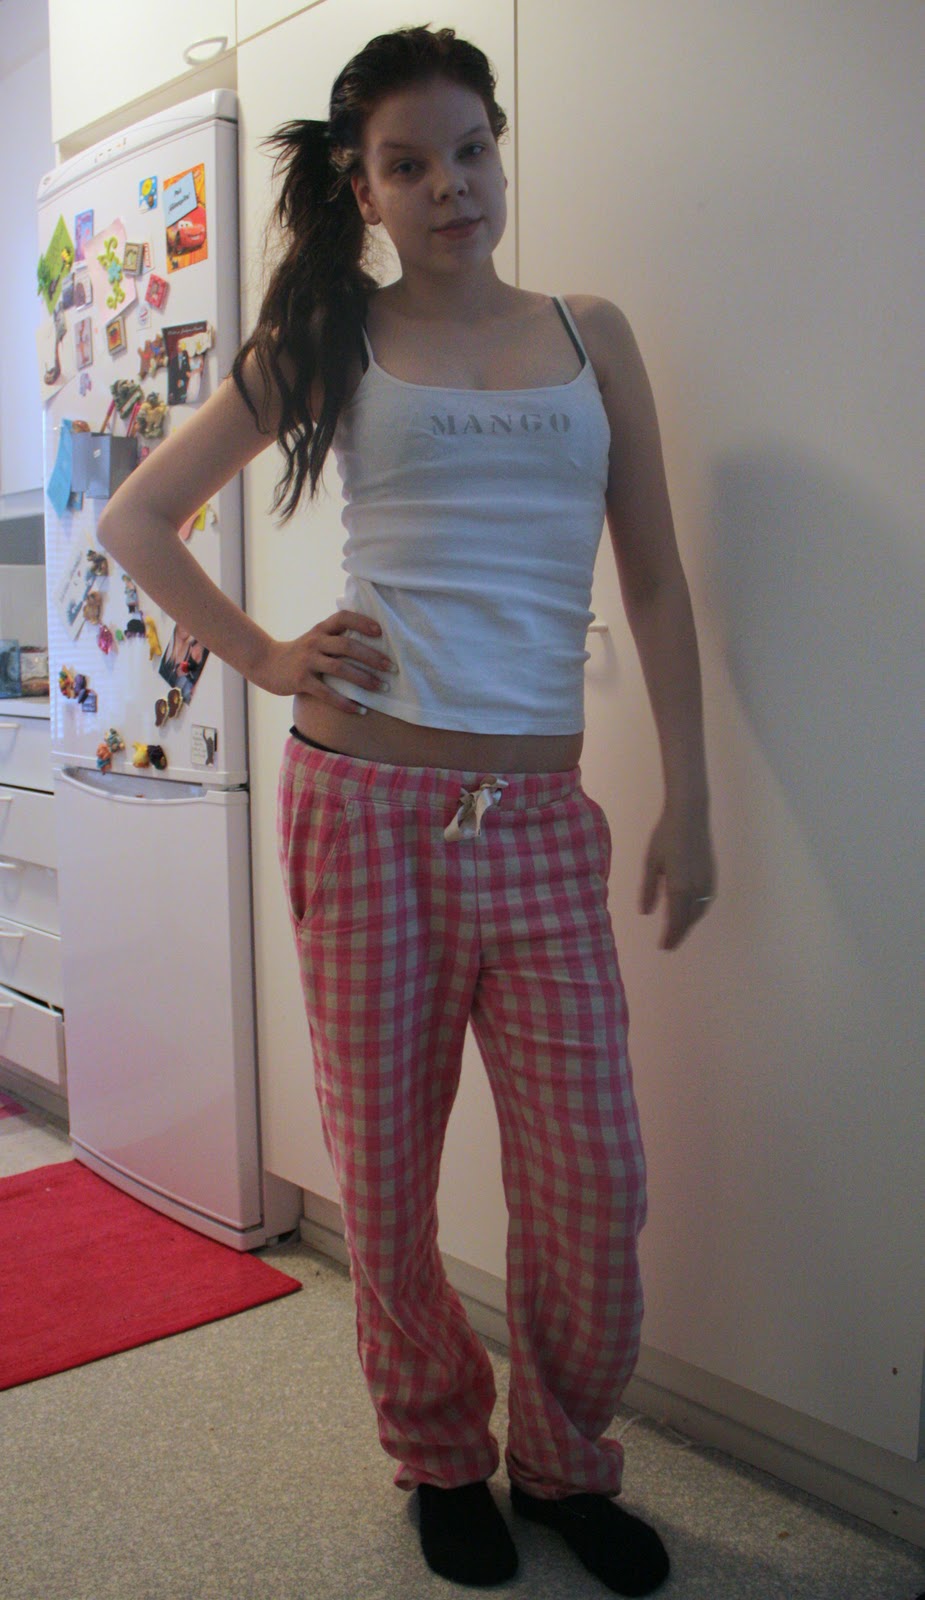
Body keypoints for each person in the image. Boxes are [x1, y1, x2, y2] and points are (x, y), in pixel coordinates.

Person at [98, 24, 715, 1596]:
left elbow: (650, 577)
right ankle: (439, 1454)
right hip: (362, 805)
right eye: (409, 164)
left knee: (593, 1181)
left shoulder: (589, 335)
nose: (451, 186)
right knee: (382, 1178)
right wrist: (262, 654)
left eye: (470, 151)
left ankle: (563, 1465)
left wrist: (689, 795)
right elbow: (139, 515)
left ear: (500, 150)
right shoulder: (330, 339)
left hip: (540, 821)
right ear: (362, 189)